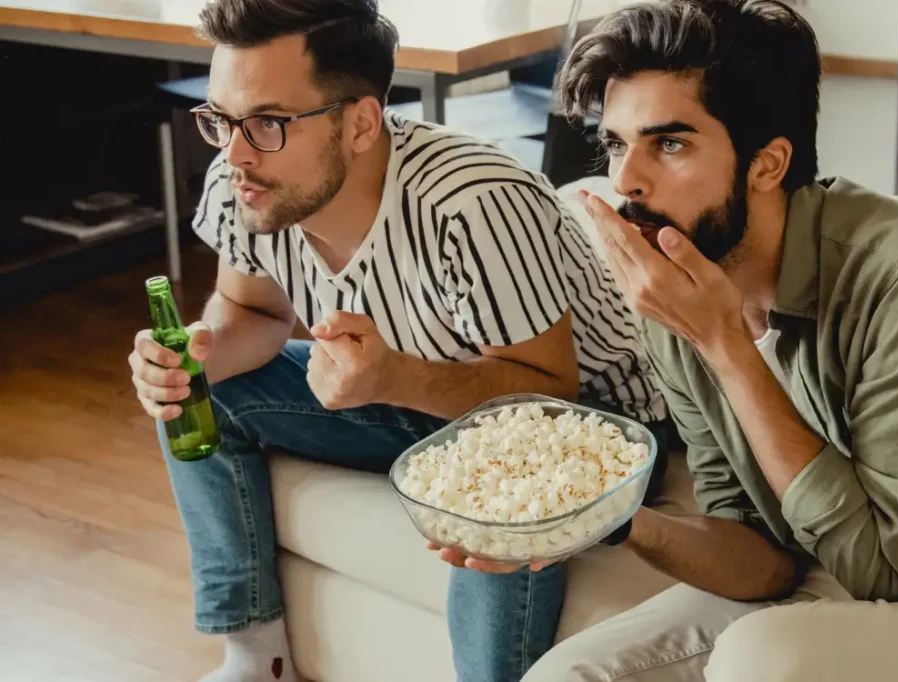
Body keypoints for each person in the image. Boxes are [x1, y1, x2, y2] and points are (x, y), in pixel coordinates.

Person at [124, 1, 670, 681]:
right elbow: (251, 310)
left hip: (581, 419)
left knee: (489, 494)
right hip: (421, 394)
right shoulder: (247, 182)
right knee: (201, 397)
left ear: (359, 122)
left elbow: (546, 390)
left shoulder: (473, 204)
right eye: (221, 121)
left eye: (267, 123)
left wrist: (391, 379)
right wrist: (193, 359)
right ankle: (256, 658)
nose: (234, 153)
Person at [512, 0, 898, 680]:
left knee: (763, 662)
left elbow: (884, 566)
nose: (625, 180)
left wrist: (724, 344)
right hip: (836, 550)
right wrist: (606, 518)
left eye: (669, 143)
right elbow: (758, 551)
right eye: (615, 143)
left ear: (768, 163)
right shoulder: (679, 278)